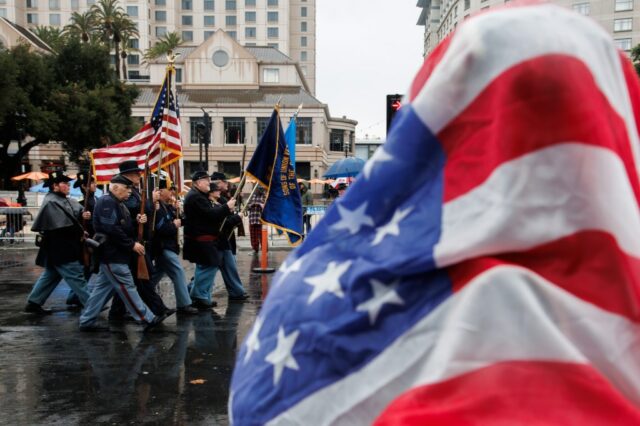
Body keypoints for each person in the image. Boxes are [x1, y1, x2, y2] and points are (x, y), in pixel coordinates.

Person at [79, 174, 173, 332]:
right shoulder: (107, 202)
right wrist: (131, 245)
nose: (129, 191)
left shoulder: (116, 202)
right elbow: (111, 229)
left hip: (114, 254)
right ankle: (146, 318)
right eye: (126, 188)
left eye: (130, 188)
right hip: (112, 254)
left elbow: (120, 226)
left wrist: (137, 222)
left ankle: (87, 320)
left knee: (101, 291)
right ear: (115, 188)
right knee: (127, 286)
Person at [108, 160, 170, 321]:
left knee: (137, 279)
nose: (139, 175)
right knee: (143, 278)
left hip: (138, 239)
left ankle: (117, 312)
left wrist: (151, 205)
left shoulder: (134, 190)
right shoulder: (125, 192)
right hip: (133, 240)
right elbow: (134, 209)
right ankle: (157, 309)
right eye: (136, 173)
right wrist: (150, 201)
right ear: (127, 175)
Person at [24, 171, 91, 315]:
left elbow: (74, 216)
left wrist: (83, 215)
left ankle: (34, 302)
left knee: (51, 275)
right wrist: (80, 231)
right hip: (61, 247)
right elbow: (62, 227)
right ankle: (92, 305)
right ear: (55, 186)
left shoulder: (64, 199)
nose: (68, 186)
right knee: (76, 276)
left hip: (61, 247)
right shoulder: (51, 202)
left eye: (68, 183)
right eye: (64, 184)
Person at [183, 170, 236, 310]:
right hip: (201, 240)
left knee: (206, 267)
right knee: (208, 266)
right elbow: (211, 215)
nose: (209, 183)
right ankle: (199, 296)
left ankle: (200, 295)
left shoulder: (198, 195)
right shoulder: (196, 197)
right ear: (198, 182)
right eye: (206, 180)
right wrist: (227, 207)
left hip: (204, 239)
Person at [150, 178, 199, 315]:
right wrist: (174, 225)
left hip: (169, 246)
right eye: (169, 189)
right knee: (178, 272)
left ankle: (142, 292)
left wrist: (178, 211)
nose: (172, 192)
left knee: (156, 275)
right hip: (163, 246)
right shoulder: (157, 207)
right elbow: (160, 229)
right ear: (160, 191)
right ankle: (184, 304)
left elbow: (180, 220)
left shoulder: (166, 206)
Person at [208, 181, 249, 302]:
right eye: (216, 190)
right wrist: (237, 218)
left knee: (230, 267)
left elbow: (227, 217)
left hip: (224, 241)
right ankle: (196, 292)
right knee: (208, 271)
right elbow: (223, 222)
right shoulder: (211, 205)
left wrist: (234, 215)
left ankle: (237, 292)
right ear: (211, 193)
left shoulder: (219, 202)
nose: (219, 192)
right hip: (216, 241)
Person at [66, 170, 99, 309]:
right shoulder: (83, 203)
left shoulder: (95, 200)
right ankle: (74, 296)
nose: (94, 185)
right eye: (91, 183)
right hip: (88, 240)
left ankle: (73, 296)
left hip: (94, 239)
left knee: (89, 269)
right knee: (87, 269)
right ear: (84, 186)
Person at [247, 185, 266, 252]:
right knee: (253, 236)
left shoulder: (265, 196)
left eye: (260, 188)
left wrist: (258, 204)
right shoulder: (252, 195)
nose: (259, 190)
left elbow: (266, 206)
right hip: (252, 219)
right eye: (258, 188)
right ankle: (255, 249)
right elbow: (247, 206)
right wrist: (255, 204)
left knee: (262, 236)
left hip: (261, 219)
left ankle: (264, 250)